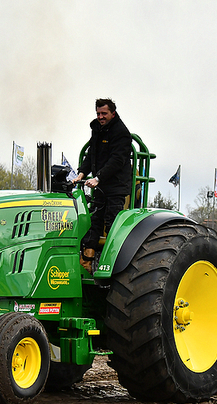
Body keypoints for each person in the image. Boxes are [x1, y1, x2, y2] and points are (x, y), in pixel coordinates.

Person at [73, 98, 132, 274]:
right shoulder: (97, 130)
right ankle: (86, 263)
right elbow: (92, 154)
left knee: (112, 222)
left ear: (112, 113)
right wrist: (82, 173)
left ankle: (112, 265)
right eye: (98, 113)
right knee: (94, 221)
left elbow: (117, 160)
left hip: (115, 186)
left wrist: (98, 177)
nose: (100, 117)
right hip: (100, 186)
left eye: (104, 113)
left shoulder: (121, 133)